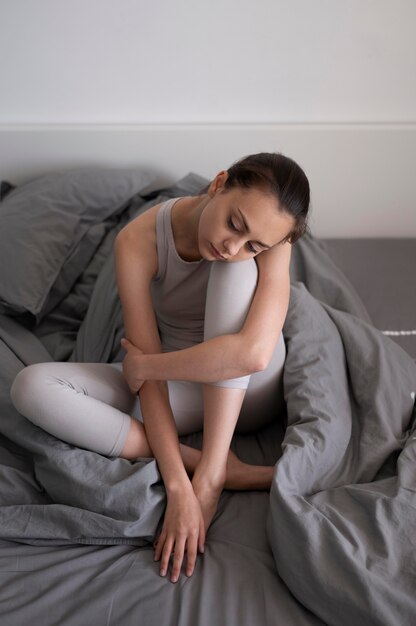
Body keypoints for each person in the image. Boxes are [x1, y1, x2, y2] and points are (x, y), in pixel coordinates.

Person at [10, 152, 310, 584]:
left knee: (233, 273)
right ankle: (214, 463)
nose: (232, 245)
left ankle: (212, 473)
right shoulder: (140, 239)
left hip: (249, 390)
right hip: (177, 384)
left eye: (254, 245)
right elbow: (146, 381)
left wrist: (152, 365)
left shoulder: (271, 241)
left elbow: (252, 356)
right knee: (31, 387)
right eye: (235, 224)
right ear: (219, 183)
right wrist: (175, 484)